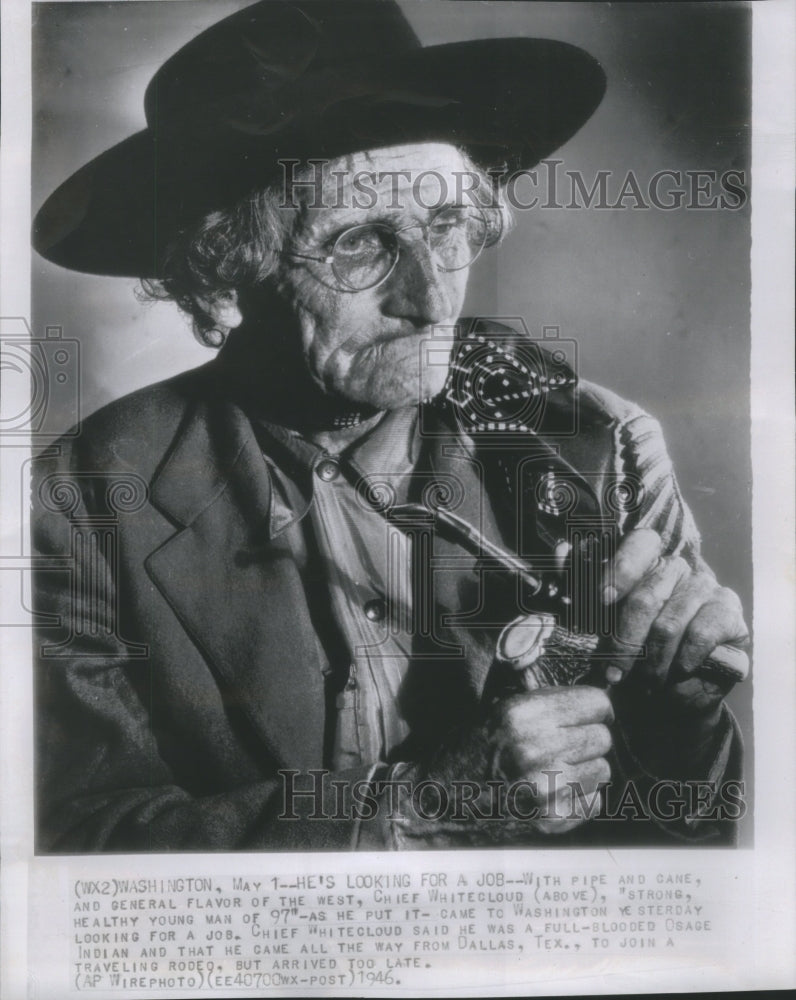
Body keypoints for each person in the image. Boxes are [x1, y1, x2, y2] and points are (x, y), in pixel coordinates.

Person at [31, 0, 748, 852]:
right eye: (361, 245)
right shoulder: (80, 500)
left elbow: (683, 849)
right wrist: (418, 811)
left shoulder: (598, 444)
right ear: (224, 273)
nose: (432, 298)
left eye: (445, 227)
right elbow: (77, 850)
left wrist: (681, 713)